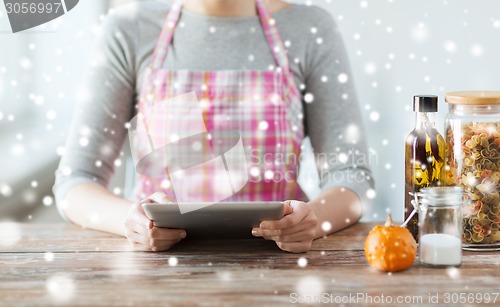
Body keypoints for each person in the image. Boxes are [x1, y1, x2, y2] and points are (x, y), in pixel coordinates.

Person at [53, 0, 374, 253]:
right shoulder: (128, 29)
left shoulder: (309, 28)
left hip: (279, 266)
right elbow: (76, 182)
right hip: (157, 275)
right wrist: (130, 221)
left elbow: (352, 175)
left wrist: (313, 220)